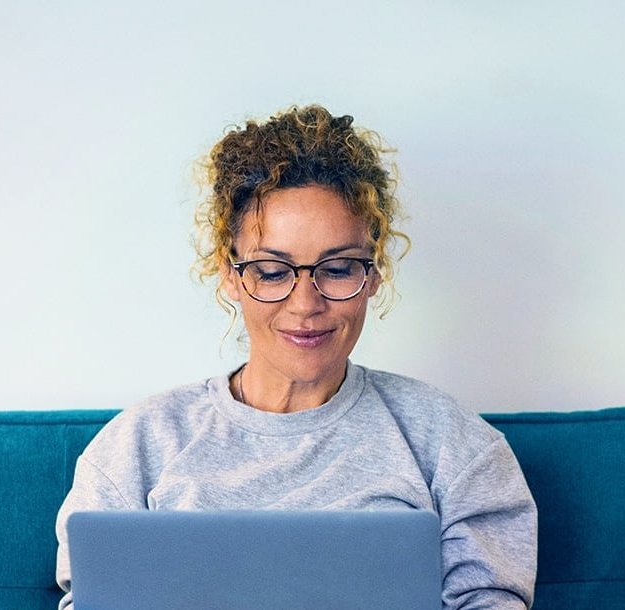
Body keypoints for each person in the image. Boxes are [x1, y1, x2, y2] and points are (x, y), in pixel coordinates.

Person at [55, 104, 537, 609]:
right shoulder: (138, 448)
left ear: (372, 275)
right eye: (271, 271)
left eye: (338, 267)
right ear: (230, 275)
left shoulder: (451, 444)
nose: (306, 304)